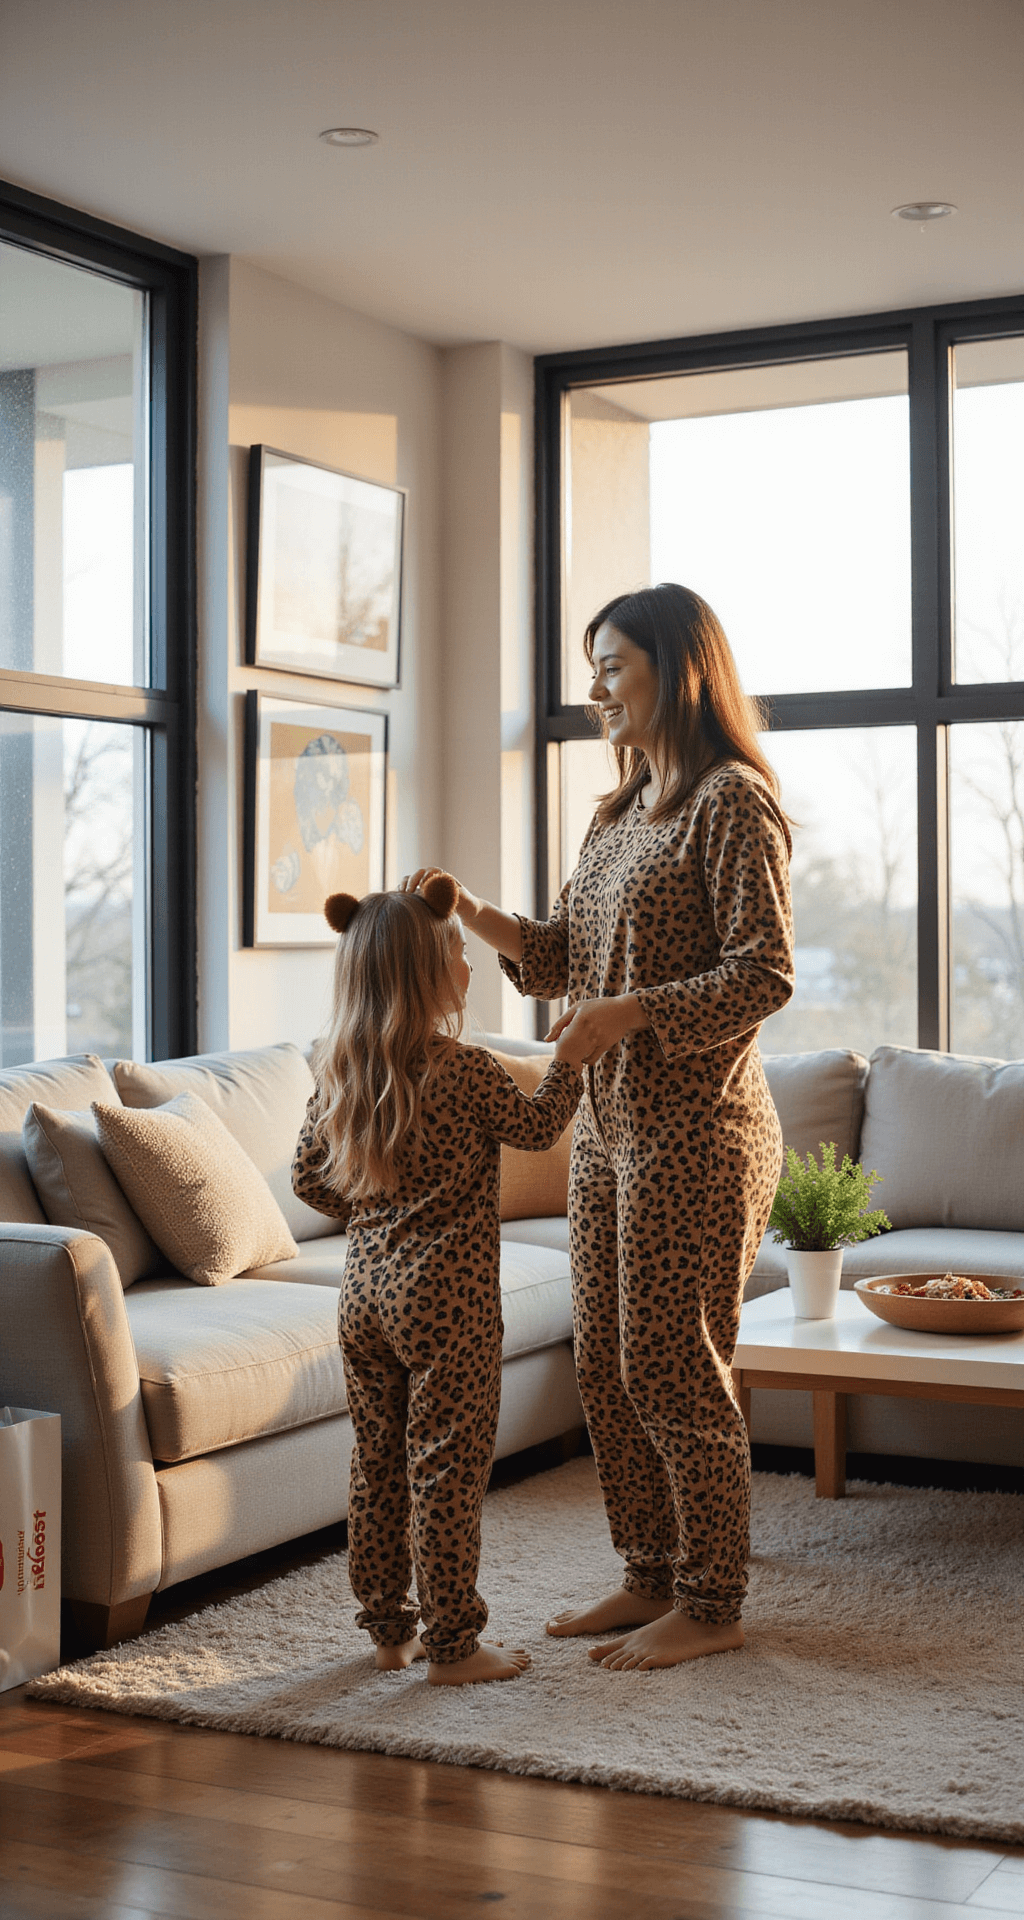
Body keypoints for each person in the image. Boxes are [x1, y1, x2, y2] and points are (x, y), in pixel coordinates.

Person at [403, 583, 794, 1670]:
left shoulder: (731, 803)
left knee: (675, 1364)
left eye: (612, 666)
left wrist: (633, 1013)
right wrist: (474, 913)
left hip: (701, 1131)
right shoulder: (615, 814)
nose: (594, 689)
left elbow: (764, 973)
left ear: (677, 671)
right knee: (610, 1367)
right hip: (608, 1129)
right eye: (592, 667)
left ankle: (712, 1603)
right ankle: (647, 1574)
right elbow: (564, 953)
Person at [292, 873, 587, 1685]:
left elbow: (310, 1180)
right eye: (458, 952)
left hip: (364, 1297)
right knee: (447, 1471)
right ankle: (454, 1645)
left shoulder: (338, 1069)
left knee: (378, 1462)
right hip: (448, 1299)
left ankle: (388, 1631)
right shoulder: (465, 1068)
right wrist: (572, 1059)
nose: (469, 966)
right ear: (427, 973)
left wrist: (377, 1196)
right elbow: (537, 1128)